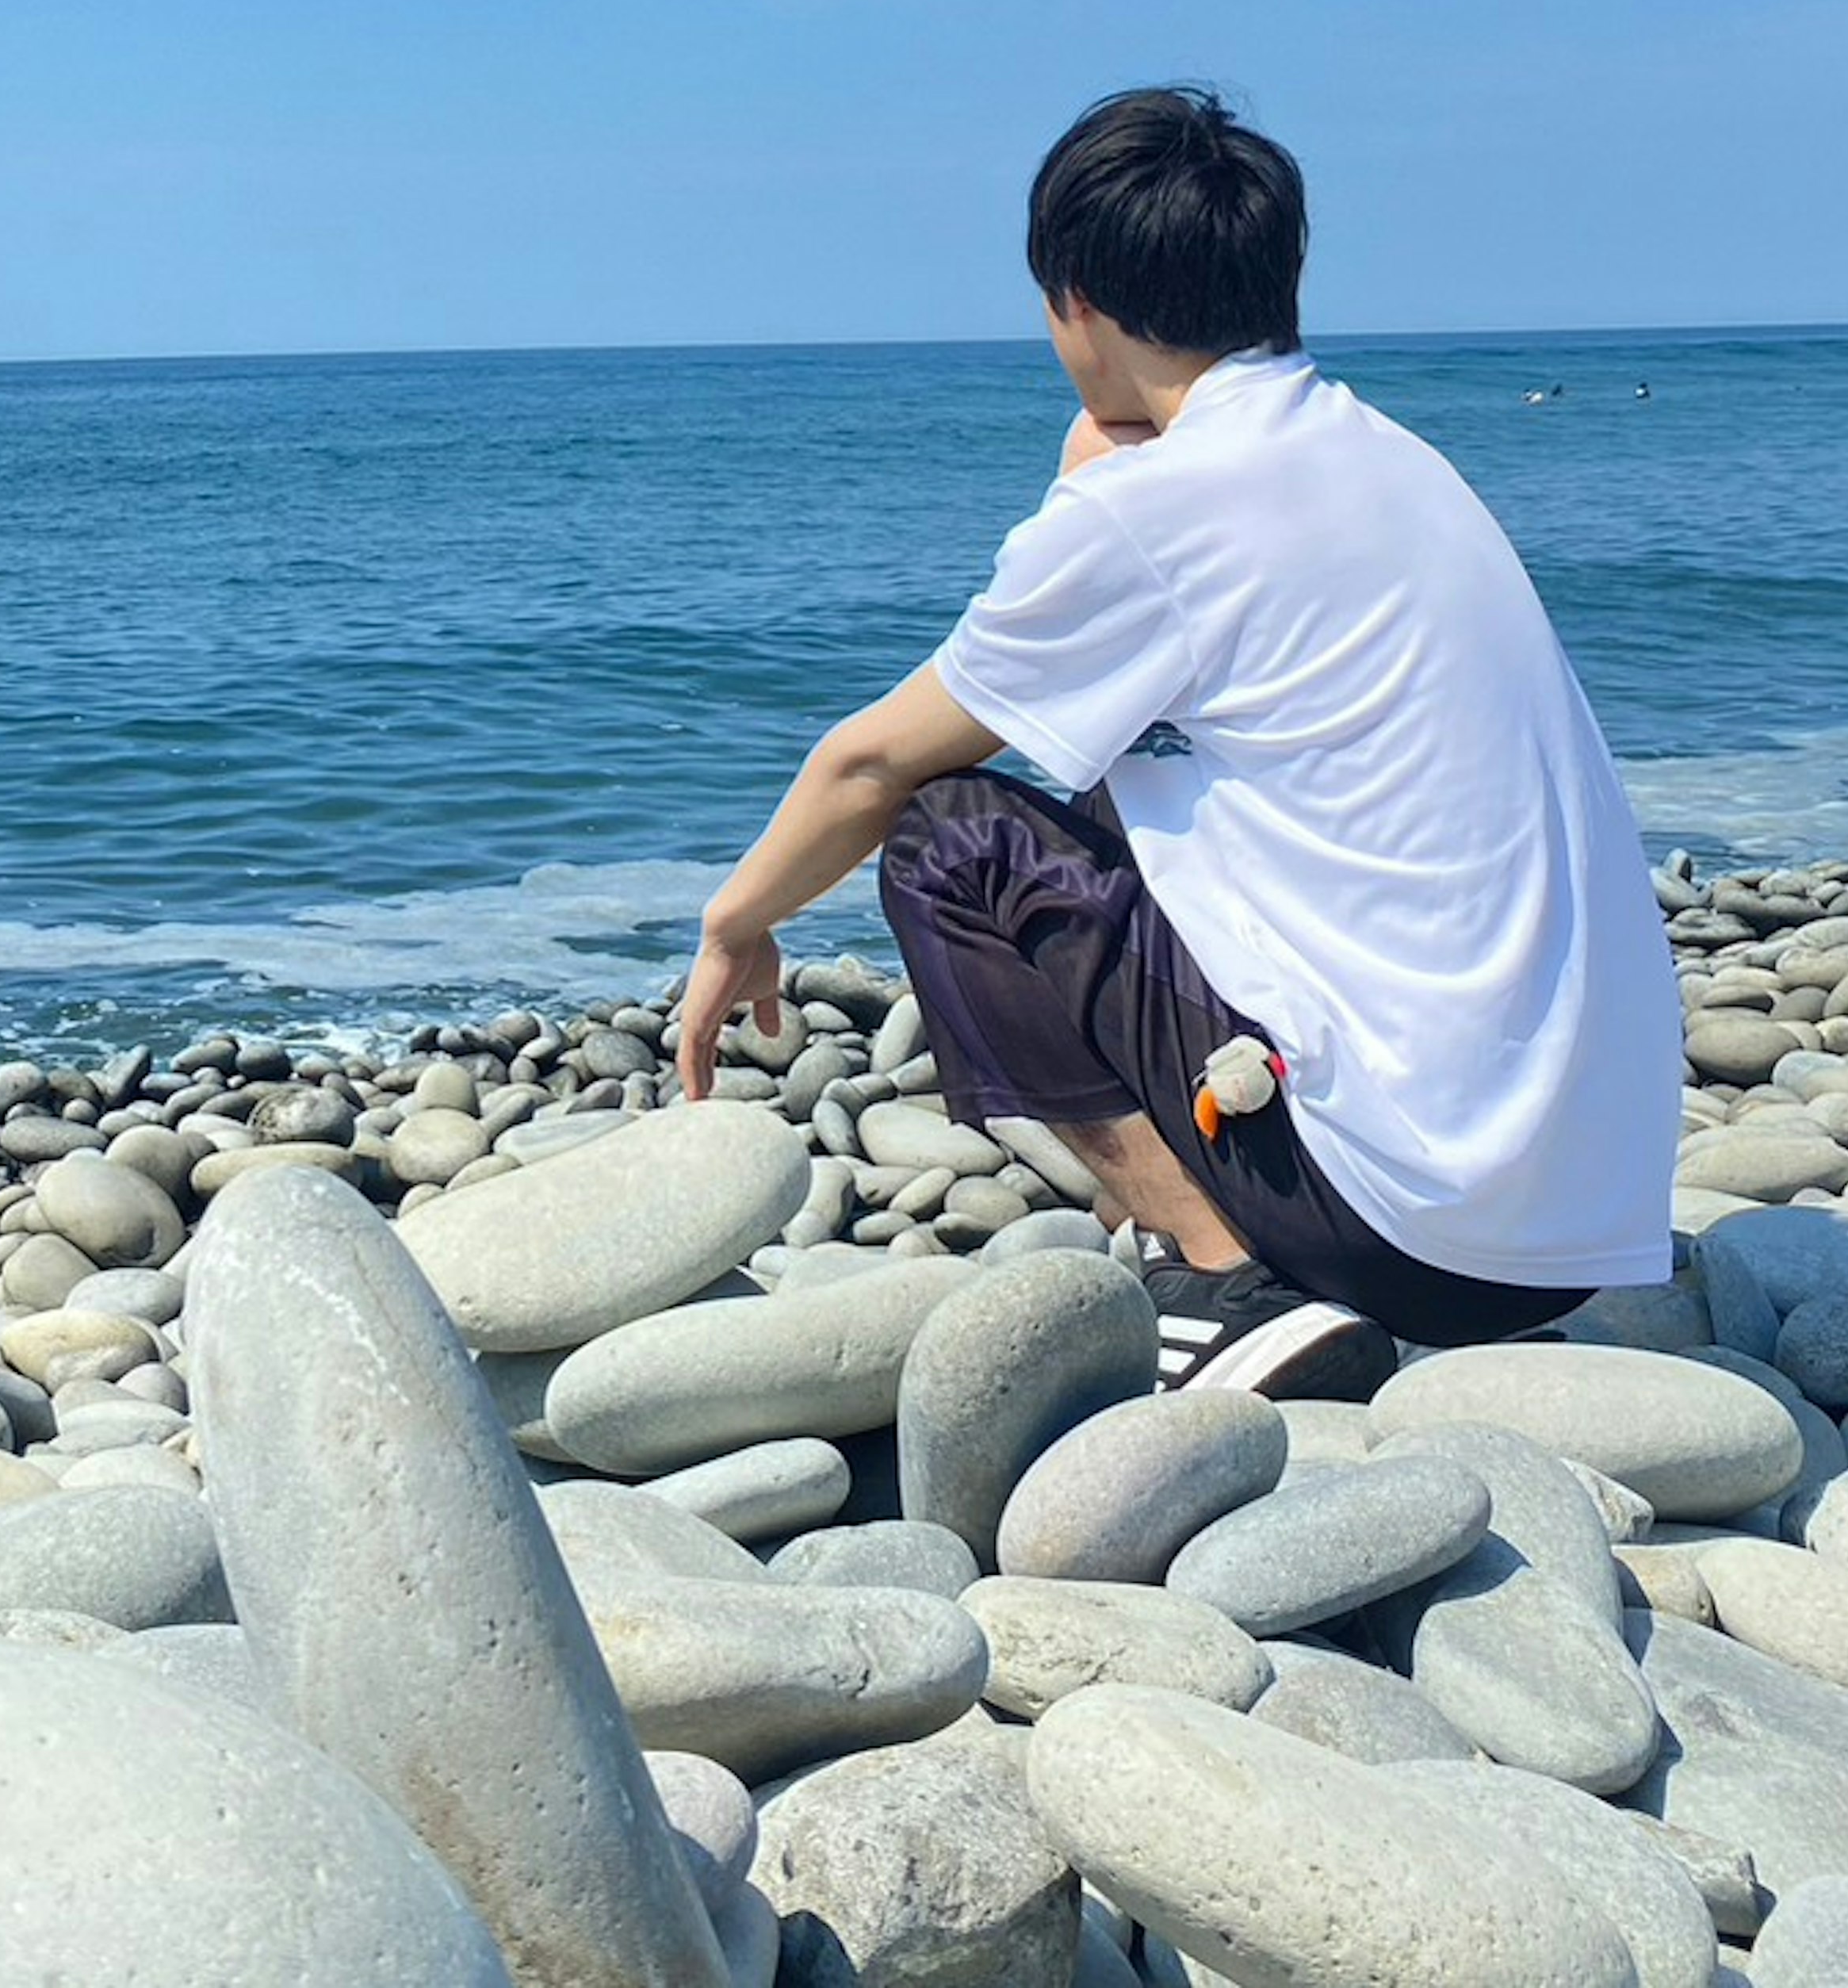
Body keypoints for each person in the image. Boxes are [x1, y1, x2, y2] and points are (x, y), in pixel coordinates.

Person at [673, 86, 1678, 1396]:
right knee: (1107, 800)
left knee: (945, 836)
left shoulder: (1166, 510)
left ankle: (1215, 1264)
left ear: (1076, 296)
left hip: (1413, 1229)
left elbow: (871, 764)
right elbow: (1110, 754)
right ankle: (1264, 1221)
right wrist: (1091, 482)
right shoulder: (1394, 460)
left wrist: (733, 921)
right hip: (1572, 1231)